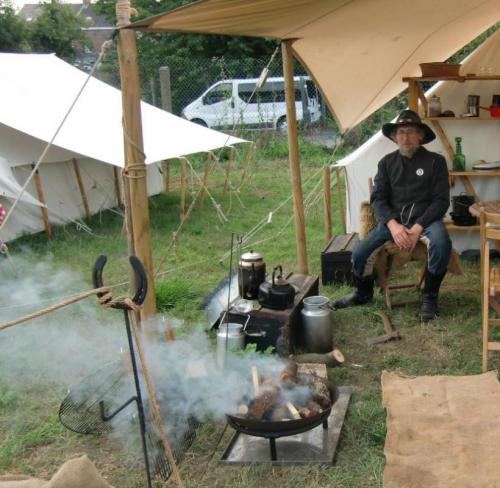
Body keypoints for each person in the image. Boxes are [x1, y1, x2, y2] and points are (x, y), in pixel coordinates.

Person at [334, 110, 451, 321]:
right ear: (395, 137)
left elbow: (441, 201)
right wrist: (394, 226)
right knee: (360, 252)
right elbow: (378, 199)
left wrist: (417, 228)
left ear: (420, 136)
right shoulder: (386, 163)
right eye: (401, 132)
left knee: (442, 244)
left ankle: (429, 299)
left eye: (410, 132)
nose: (405, 137)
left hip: (426, 220)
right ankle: (362, 294)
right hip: (392, 221)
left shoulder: (436, 161)